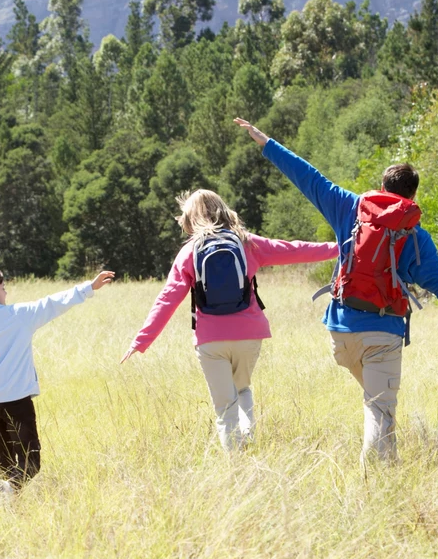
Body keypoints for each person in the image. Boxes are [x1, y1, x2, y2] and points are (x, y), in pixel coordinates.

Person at [234, 117, 438, 465]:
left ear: (381, 186)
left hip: (341, 334)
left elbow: (308, 177)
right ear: (412, 197)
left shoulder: (349, 208)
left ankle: (391, 474)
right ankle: (372, 485)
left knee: (380, 406)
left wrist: (267, 143)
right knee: (379, 410)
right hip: (381, 334)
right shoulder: (415, 237)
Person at [121, 189, 338, 451]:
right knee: (243, 388)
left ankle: (236, 469)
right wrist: (340, 248)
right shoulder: (247, 242)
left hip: (210, 340)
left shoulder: (189, 252)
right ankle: (249, 437)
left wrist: (141, 341)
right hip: (249, 335)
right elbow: (295, 249)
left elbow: (167, 299)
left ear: (190, 219)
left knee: (225, 409)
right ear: (223, 210)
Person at [0, 265, 116, 494]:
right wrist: (89, 287)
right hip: (17, 405)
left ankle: (6, 506)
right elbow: (53, 303)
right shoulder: (18, 316)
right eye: (3, 288)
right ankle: (8, 492)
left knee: (4, 467)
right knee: (31, 463)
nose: (6, 293)